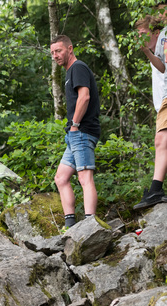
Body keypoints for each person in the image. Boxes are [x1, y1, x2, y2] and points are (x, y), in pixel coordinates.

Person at [50, 35, 101, 229]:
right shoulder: (70, 72)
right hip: (75, 134)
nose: (55, 55)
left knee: (84, 177)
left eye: (59, 51)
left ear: (70, 49)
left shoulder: (78, 67)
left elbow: (84, 97)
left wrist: (75, 124)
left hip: (82, 131)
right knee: (61, 178)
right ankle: (70, 225)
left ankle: (89, 226)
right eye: (53, 52)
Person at [134, 15, 167, 209]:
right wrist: (147, 51)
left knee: (161, 140)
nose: (140, 38)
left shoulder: (164, 37)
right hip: (162, 104)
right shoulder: (158, 48)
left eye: (143, 34)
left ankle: (156, 189)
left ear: (155, 32)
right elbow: (163, 68)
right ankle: (156, 189)